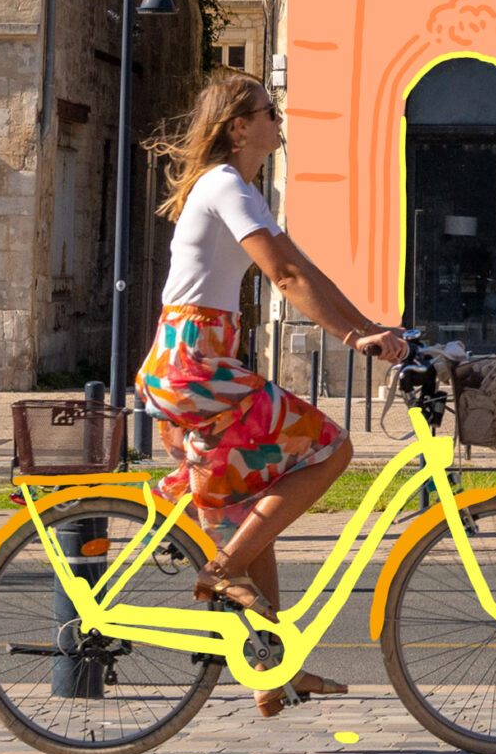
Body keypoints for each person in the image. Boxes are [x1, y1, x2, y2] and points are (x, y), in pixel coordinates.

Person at [138, 69, 409, 715]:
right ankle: (223, 566)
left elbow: (302, 269)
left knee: (254, 513)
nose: (277, 118)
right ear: (240, 127)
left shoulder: (235, 189)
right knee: (333, 448)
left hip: (193, 362)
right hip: (197, 366)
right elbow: (285, 275)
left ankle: (271, 668)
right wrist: (356, 337)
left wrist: (368, 327)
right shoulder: (228, 185)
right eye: (268, 109)